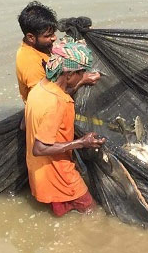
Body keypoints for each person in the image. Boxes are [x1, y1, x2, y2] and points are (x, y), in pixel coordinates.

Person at [24, 40, 106, 216]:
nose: (83, 75)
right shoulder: (57, 103)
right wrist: (82, 142)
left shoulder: (40, 88)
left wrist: (81, 82)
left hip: (39, 174)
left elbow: (26, 125)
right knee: (92, 213)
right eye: (81, 72)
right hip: (60, 176)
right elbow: (39, 148)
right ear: (69, 74)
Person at [15, 1, 100, 104]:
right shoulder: (29, 62)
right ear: (31, 37)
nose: (54, 38)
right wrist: (82, 81)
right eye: (48, 36)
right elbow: (45, 100)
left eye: (53, 33)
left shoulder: (41, 46)